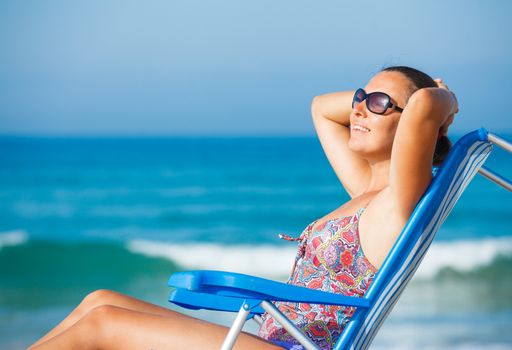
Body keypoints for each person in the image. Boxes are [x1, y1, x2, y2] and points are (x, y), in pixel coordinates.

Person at [28, 66, 458, 350]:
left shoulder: (398, 201)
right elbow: (321, 108)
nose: (360, 108)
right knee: (98, 299)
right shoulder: (364, 189)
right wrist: (378, 98)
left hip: (295, 347)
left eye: (380, 104)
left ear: (412, 129)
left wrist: (444, 100)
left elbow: (422, 105)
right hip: (272, 339)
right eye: (362, 97)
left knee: (102, 324)